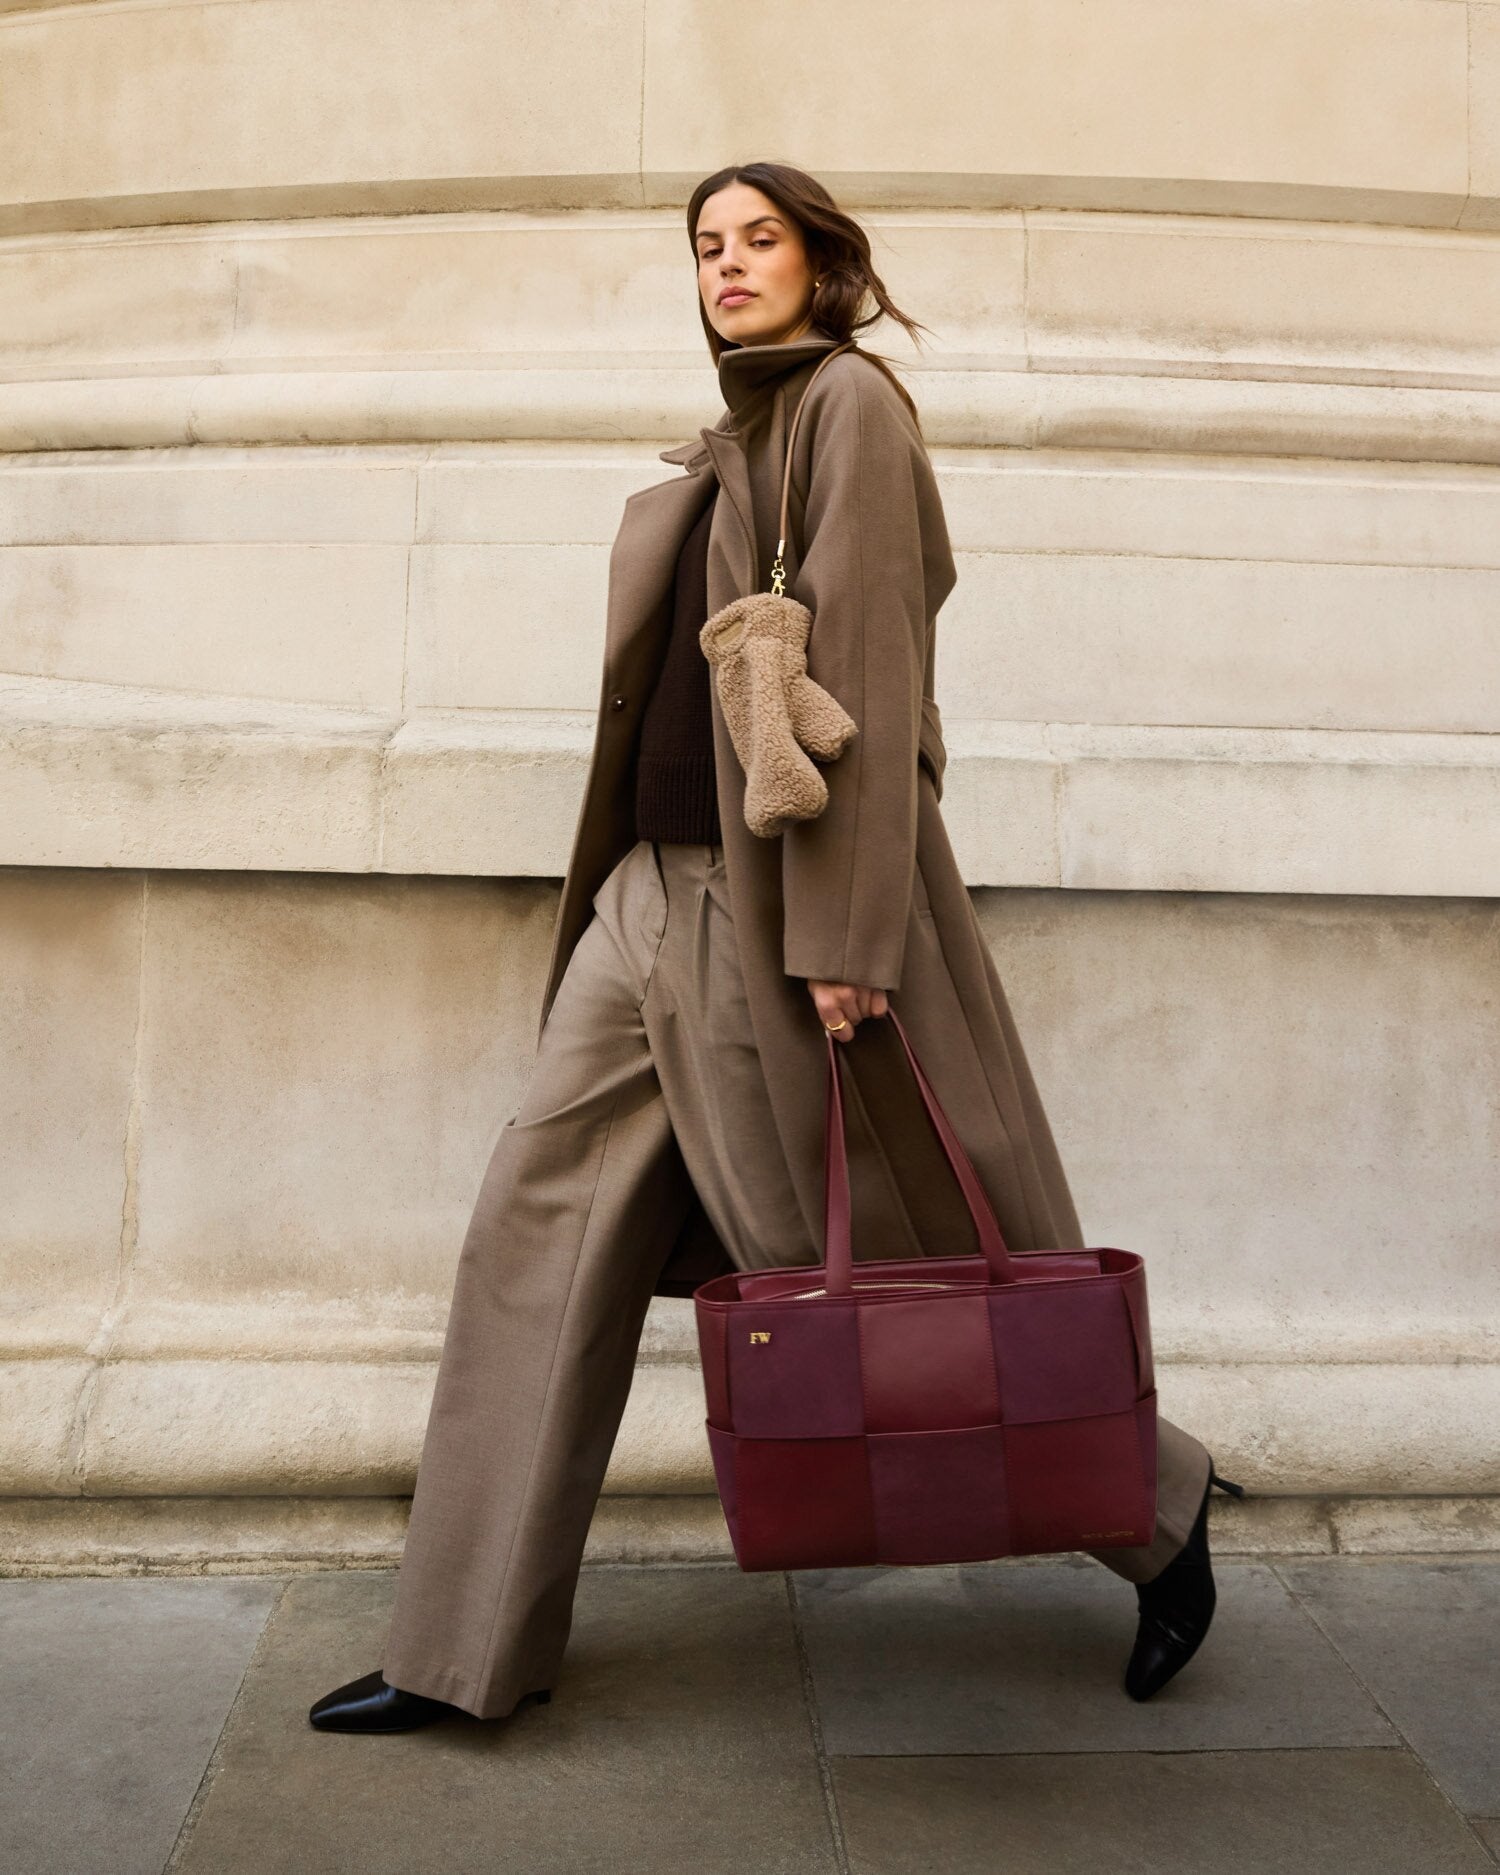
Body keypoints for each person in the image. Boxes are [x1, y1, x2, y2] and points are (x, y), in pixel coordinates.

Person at [309, 161, 1240, 1735]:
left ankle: (1152, 1512)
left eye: (759, 240)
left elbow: (868, 663)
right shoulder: (733, 435)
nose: (728, 264)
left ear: (825, 263)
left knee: (890, 1261)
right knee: (533, 1225)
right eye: (706, 246)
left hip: (771, 908)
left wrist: (846, 929)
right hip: (643, 900)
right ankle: (457, 1650)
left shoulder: (846, 410)